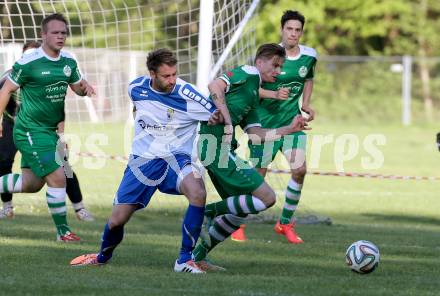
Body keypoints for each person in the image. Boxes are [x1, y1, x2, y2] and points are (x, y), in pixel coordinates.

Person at [69, 48, 225, 273]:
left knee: (198, 192)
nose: (172, 80)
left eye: (174, 74)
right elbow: (138, 108)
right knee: (116, 220)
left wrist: (217, 117)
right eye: (166, 76)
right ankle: (102, 256)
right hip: (143, 161)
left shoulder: (187, 94)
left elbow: (214, 114)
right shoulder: (136, 88)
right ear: (152, 74)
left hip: (177, 158)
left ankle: (184, 260)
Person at [192, 43, 309, 271]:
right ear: (259, 62)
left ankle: (199, 256)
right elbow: (214, 84)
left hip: (222, 151)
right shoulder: (247, 73)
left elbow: (256, 135)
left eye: (281, 67)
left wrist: (289, 129)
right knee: (267, 197)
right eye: (275, 65)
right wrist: (226, 120)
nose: (278, 71)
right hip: (215, 148)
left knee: (241, 211)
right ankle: (206, 212)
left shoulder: (255, 94)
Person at [0, 13, 95, 241]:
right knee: (59, 175)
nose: (60, 36)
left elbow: (76, 89)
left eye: (63, 32)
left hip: (49, 131)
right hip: (28, 130)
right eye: (55, 32)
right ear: (43, 34)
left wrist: (84, 88)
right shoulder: (28, 61)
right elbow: (6, 90)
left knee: (31, 184)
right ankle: (63, 232)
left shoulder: (68, 62)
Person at [231, 10, 317, 244]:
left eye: (297, 30)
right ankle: (236, 223)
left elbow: (308, 78)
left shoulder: (309, 56)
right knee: (258, 177)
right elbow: (252, 87)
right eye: (289, 29)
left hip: (292, 123)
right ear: (282, 30)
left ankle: (285, 223)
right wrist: (274, 94)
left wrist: (306, 103)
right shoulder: (270, 56)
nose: (293, 34)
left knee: (299, 170)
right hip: (264, 126)